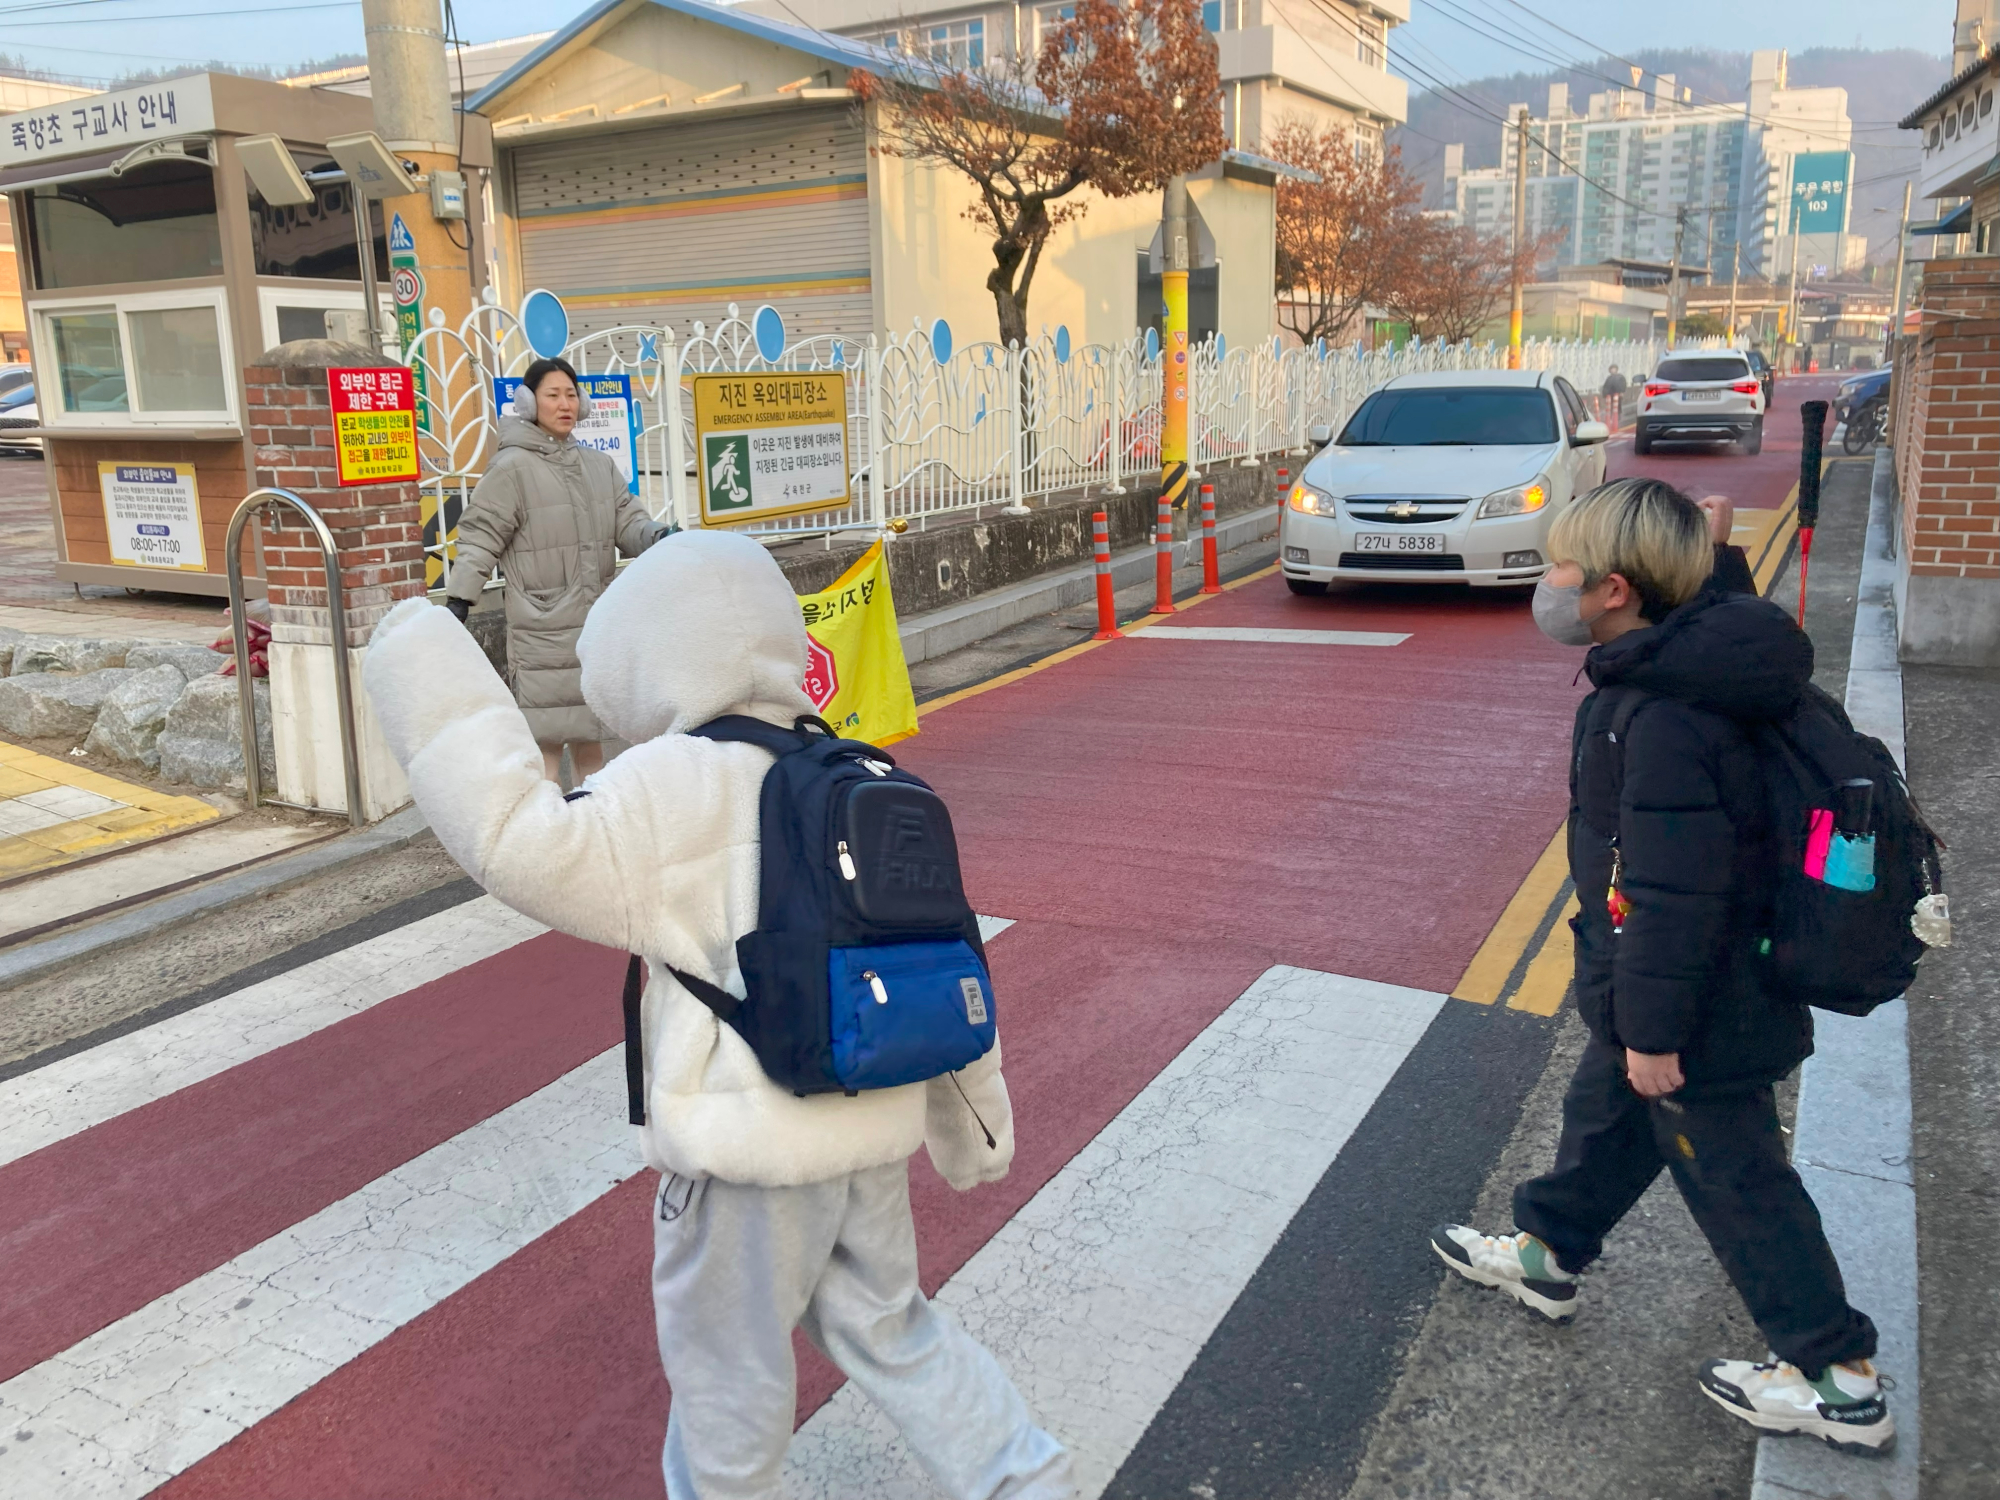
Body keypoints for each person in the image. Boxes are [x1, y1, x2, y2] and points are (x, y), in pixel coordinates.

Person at [363, 531, 1073, 1500]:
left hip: (745, 1161)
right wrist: (973, 1131)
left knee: (727, 1381)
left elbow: (517, 842)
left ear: (645, 662)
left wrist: (421, 653)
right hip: (871, 1131)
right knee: (896, 1327)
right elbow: (945, 963)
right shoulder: (867, 777)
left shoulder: (668, 785)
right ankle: (1027, 1481)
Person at [1430, 478, 1894, 1457]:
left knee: (1734, 1178)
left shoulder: (1658, 714)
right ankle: (1545, 1251)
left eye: (1558, 565)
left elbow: (1670, 892)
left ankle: (1834, 1377)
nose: (1543, 581)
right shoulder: (1706, 651)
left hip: (1695, 1002)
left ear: (1609, 590)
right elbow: (1720, 612)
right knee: (1603, 1113)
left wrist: (1652, 1030)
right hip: (1685, 982)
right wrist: (1717, 551)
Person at [445, 355, 670, 785]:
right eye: (553, 395)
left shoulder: (597, 466)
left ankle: (594, 831)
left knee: (592, 741)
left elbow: (628, 522)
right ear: (529, 403)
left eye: (571, 394)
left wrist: (658, 536)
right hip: (541, 627)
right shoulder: (511, 468)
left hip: (595, 625)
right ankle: (544, 838)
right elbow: (480, 534)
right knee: (545, 746)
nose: (565, 404)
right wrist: (460, 598)